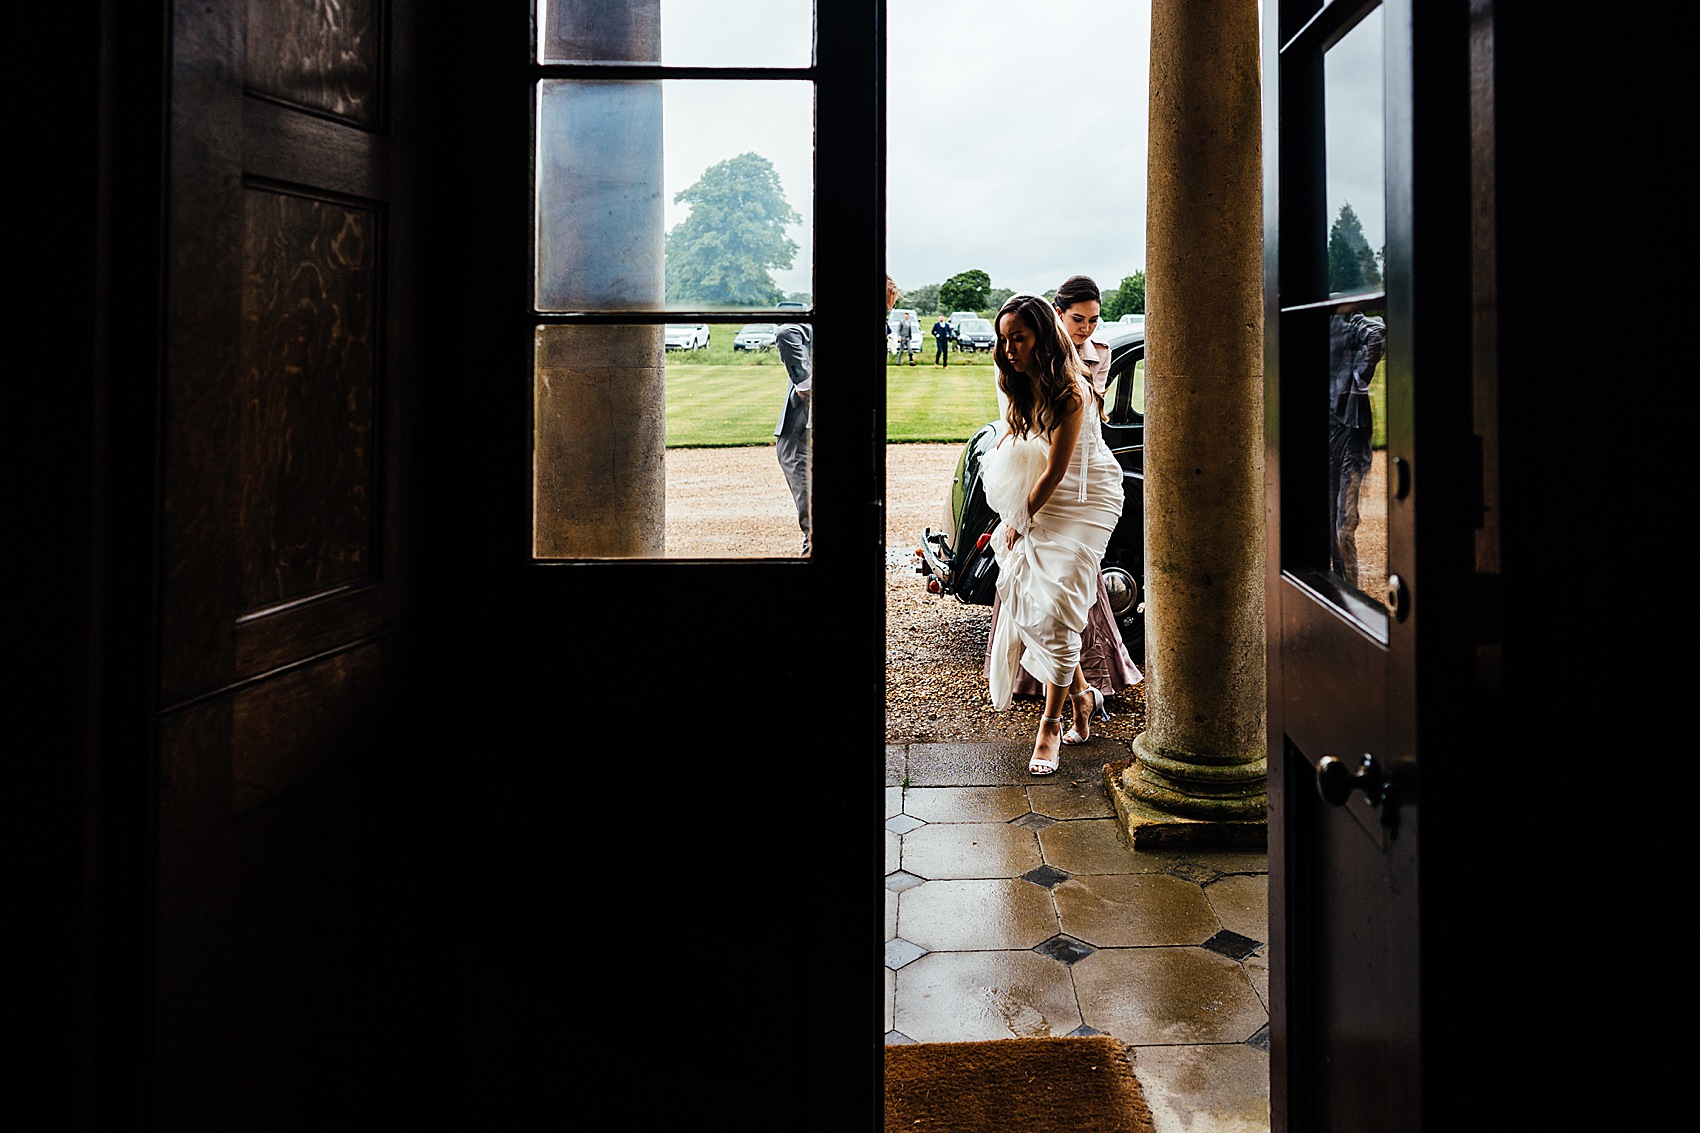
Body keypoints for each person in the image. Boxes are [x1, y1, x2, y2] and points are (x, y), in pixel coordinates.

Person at [979, 293, 1126, 776]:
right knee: (1032, 601)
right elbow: (1015, 437)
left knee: (1060, 605)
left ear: (1041, 337)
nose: (1008, 349)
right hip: (1043, 492)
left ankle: (1050, 722)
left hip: (1086, 499)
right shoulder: (1019, 382)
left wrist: (1016, 520)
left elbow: (1056, 474)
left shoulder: (1071, 392)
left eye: (1017, 338)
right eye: (1004, 339)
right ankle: (1083, 695)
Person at [775, 275, 902, 556]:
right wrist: (806, 384)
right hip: (801, 436)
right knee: (817, 524)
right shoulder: (826, 317)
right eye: (882, 308)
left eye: (887, 311)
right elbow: (786, 334)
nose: (883, 316)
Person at [1327, 303, 1386, 587]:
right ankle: (1339, 593)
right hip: (1329, 441)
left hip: (1351, 439)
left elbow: (1376, 331)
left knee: (1343, 527)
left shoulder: (1346, 326)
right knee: (1329, 528)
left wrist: (1360, 379)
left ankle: (1351, 596)